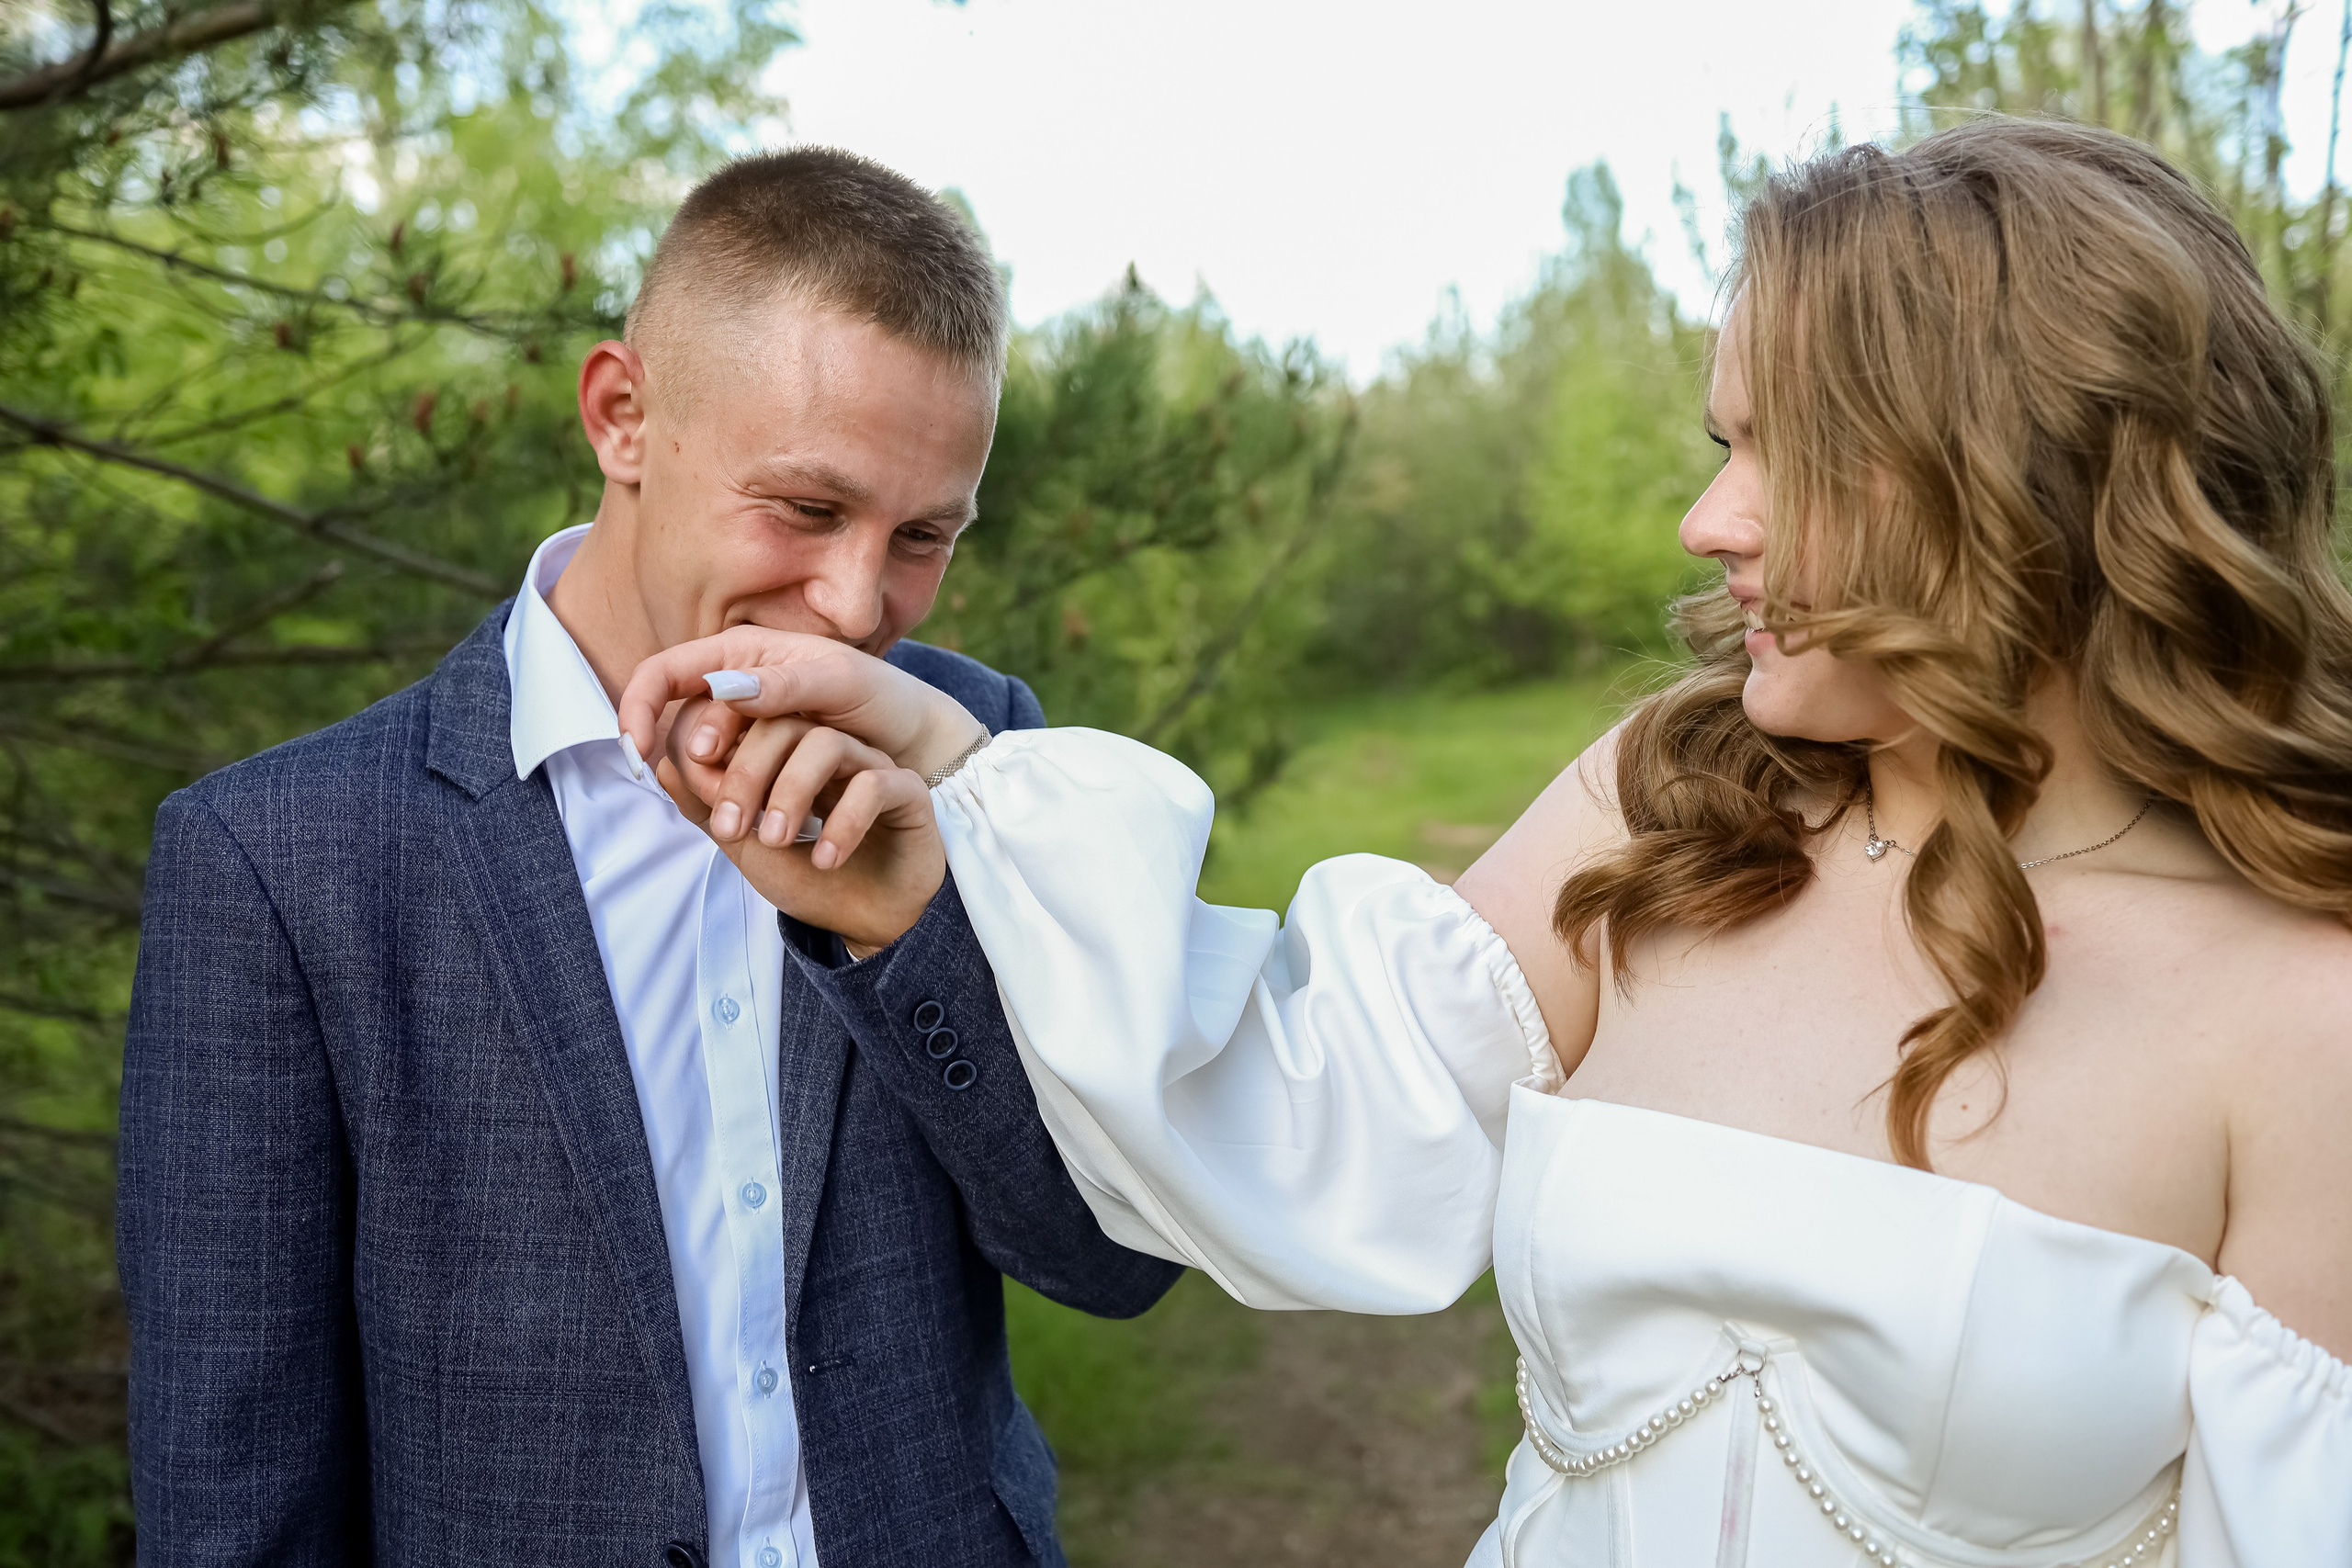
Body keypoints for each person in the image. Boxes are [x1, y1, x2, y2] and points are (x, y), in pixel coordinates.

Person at [625, 120, 2352, 1565]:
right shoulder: (1675, 812)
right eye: (1718, 445)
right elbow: (1299, 1119)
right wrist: (951, 802)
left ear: (2017, 478)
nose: (1709, 522)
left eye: (1786, 457)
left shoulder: (2303, 1015)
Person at [118, 148, 1181, 1568]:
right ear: (624, 417)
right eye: (807, 510)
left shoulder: (981, 747)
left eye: (924, 534)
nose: (859, 604)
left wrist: (901, 929)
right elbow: (235, 1485)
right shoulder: (276, 861)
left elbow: (1110, 1261)